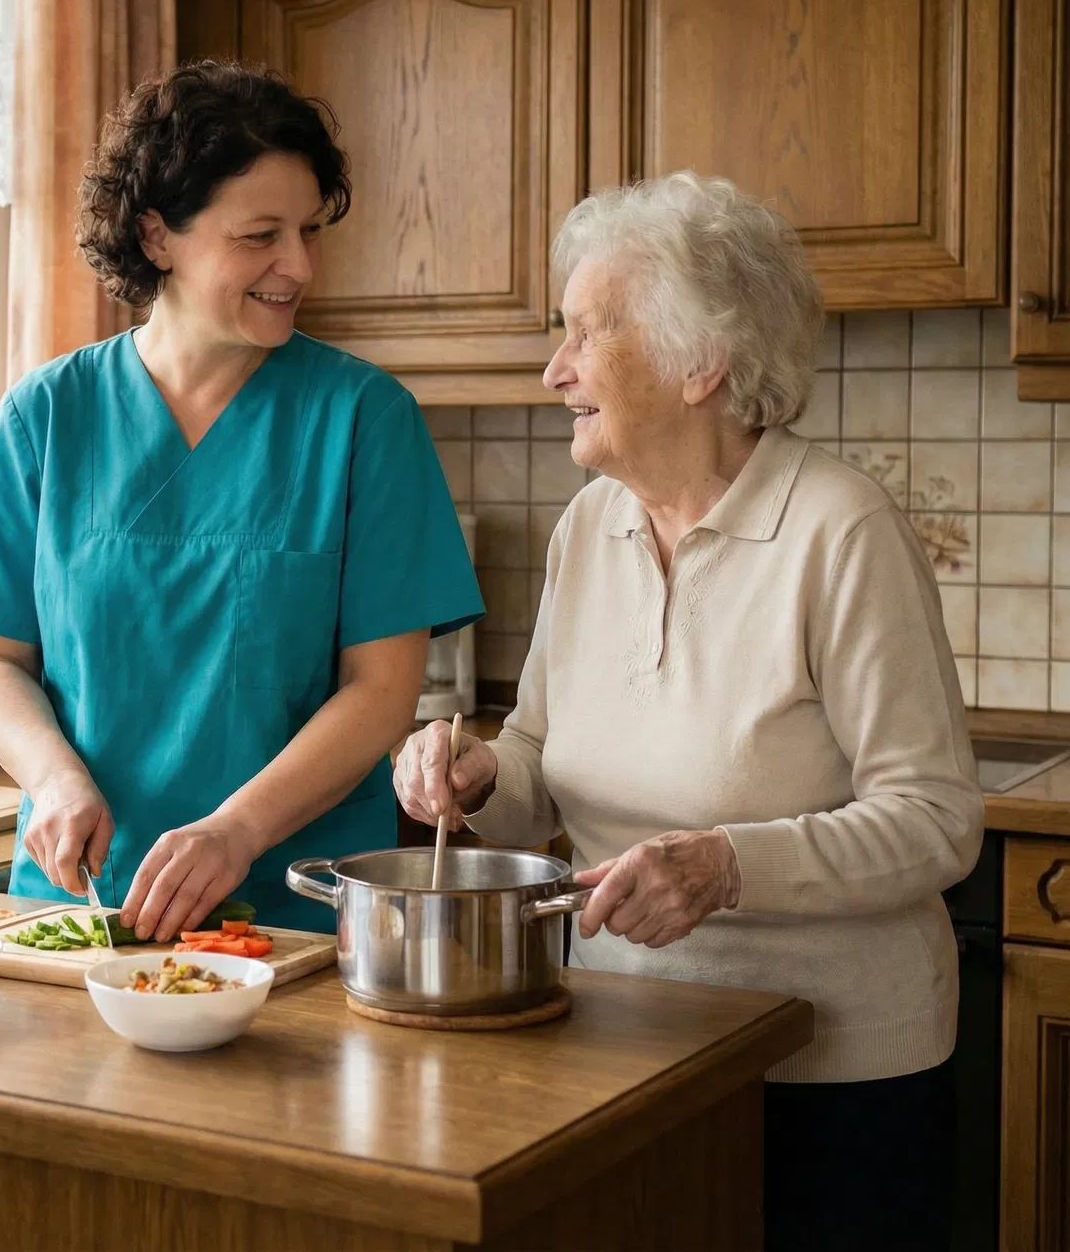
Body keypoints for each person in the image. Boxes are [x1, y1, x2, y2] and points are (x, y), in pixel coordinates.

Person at [393, 172, 982, 1252]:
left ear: (700, 362)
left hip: (832, 1068)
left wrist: (726, 867)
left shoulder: (840, 533)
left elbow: (938, 821)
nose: (553, 370)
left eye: (585, 336)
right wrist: (478, 778)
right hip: (625, 1050)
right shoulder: (590, 526)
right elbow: (534, 760)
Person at [0, 60, 483, 939]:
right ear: (158, 237)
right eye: (259, 235)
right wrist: (53, 778)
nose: (297, 265)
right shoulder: (48, 414)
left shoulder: (364, 419)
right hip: (83, 908)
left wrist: (237, 832)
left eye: (307, 230)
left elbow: (379, 694)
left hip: (296, 915)